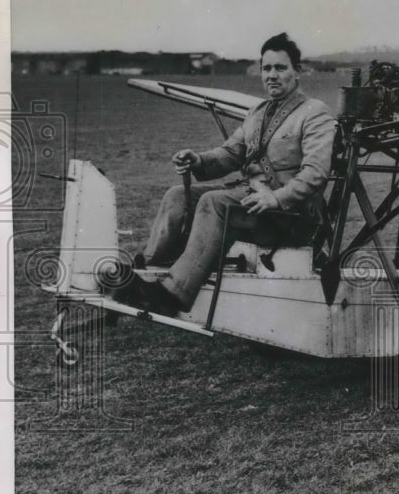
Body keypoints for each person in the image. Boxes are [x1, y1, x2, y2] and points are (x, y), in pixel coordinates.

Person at [111, 33, 337, 316]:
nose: (272, 75)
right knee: (178, 195)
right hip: (253, 204)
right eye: (267, 69)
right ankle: (146, 272)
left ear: (298, 72)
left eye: (281, 68)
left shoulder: (315, 113)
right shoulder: (257, 112)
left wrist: (277, 199)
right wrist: (198, 160)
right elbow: (231, 154)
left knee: (214, 203)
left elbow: (316, 173)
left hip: (290, 216)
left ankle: (172, 295)